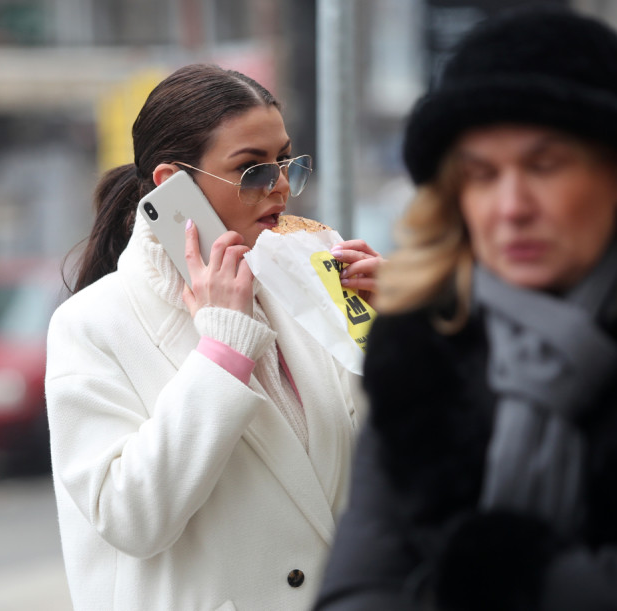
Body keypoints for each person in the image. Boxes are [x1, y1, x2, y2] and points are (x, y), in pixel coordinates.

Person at [315, 6, 617, 611]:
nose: (511, 206)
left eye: (545, 165)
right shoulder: (426, 347)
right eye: (483, 174)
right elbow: (356, 590)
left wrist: (475, 583)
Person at [45, 64, 382, 610]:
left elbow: (381, 471)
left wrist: (394, 334)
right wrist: (223, 351)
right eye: (250, 170)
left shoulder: (305, 289)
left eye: (285, 162)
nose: (278, 187)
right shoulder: (93, 323)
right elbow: (128, 517)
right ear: (172, 186)